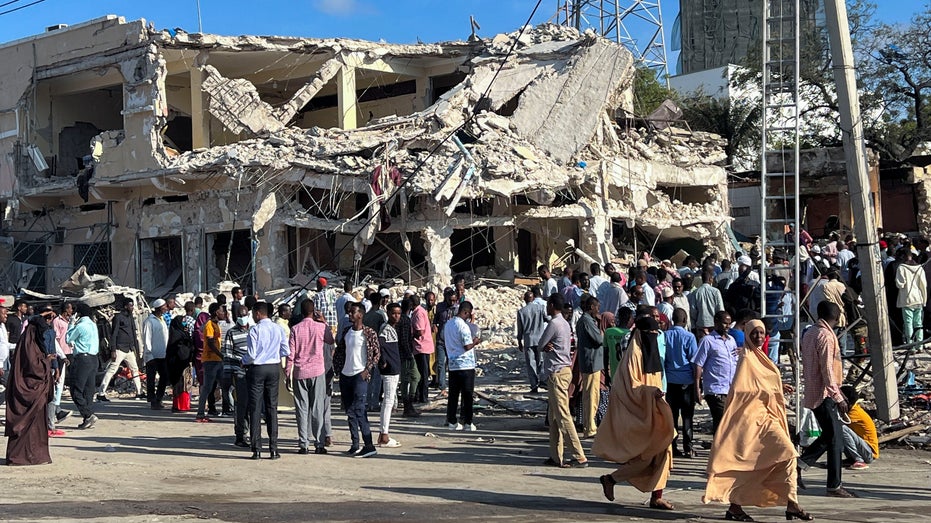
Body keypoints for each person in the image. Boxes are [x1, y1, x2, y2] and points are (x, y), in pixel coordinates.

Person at [703, 320, 813, 522]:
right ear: (747, 334)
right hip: (752, 420)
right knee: (773, 457)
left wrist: (779, 388)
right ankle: (736, 507)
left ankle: (792, 504)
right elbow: (741, 390)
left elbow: (765, 383)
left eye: (761, 333)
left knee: (784, 459)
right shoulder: (746, 358)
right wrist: (770, 390)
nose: (758, 337)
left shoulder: (760, 357)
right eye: (754, 333)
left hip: (767, 417)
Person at [594, 316, 675, 510]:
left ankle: (657, 496)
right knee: (646, 457)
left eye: (656, 335)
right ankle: (611, 479)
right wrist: (650, 393)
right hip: (638, 413)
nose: (652, 338)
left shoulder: (652, 353)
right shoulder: (634, 356)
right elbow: (631, 388)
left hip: (655, 411)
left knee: (664, 453)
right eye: (650, 335)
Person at [798, 301, 856, 498]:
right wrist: (838, 397)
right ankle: (834, 485)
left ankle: (800, 464)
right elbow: (827, 369)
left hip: (816, 390)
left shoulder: (811, 332)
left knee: (832, 436)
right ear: (837, 315)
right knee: (835, 438)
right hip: (824, 393)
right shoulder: (825, 336)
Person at [537, 293, 587, 468]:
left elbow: (541, 344)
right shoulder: (565, 323)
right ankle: (555, 455)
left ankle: (579, 455)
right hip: (564, 371)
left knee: (563, 415)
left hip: (556, 373)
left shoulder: (554, 323)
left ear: (551, 305)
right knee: (554, 418)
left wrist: (546, 345)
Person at [4, 311, 56, 465]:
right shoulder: (30, 342)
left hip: (36, 391)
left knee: (36, 425)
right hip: (29, 389)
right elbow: (34, 367)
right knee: (27, 425)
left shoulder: (30, 340)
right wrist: (47, 361)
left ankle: (35, 456)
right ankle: (21, 457)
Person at [286, 299, 334, 455]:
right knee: (317, 407)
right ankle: (319, 443)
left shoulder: (295, 329)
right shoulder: (320, 328)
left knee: (301, 408)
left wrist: (288, 373)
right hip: (317, 371)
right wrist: (324, 322)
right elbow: (331, 340)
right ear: (314, 311)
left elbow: (290, 354)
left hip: (300, 372)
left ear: (301, 311)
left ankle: (303, 443)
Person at [333, 302, 379, 458]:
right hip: (346, 375)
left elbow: (376, 354)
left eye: (353, 312)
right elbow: (340, 351)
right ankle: (354, 444)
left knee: (359, 410)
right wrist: (337, 370)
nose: (350, 315)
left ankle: (369, 444)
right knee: (350, 411)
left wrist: (367, 370)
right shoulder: (347, 331)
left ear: (360, 314)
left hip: (359, 375)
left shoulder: (369, 333)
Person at [244, 302, 289, 460]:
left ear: (257, 313)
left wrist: (244, 361)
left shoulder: (255, 330)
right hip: (273, 368)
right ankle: (274, 448)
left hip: (257, 368)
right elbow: (286, 350)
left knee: (255, 408)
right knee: (272, 408)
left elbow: (251, 354)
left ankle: (256, 449)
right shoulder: (278, 328)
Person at [692, 310, 738, 436]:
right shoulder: (707, 341)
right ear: (716, 322)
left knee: (729, 422)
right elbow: (698, 364)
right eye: (724, 323)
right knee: (721, 421)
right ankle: (719, 452)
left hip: (731, 388)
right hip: (716, 389)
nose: (727, 326)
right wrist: (697, 387)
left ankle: (723, 450)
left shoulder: (731, 341)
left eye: (729, 323)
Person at [664, 308, 698, 458]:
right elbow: (694, 361)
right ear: (685, 321)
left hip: (670, 381)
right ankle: (688, 447)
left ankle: (672, 447)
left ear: (672, 319)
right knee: (687, 416)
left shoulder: (665, 336)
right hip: (686, 381)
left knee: (672, 416)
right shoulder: (689, 337)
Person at [98, 298, 143, 401]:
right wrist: (113, 350)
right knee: (112, 370)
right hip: (119, 348)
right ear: (126, 306)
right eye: (130, 306)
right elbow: (113, 335)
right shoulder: (118, 317)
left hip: (130, 349)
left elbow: (133, 333)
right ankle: (101, 393)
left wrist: (136, 349)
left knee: (135, 370)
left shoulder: (131, 317)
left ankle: (139, 392)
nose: (132, 308)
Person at [444, 301, 480, 431]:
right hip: (466, 365)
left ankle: (452, 421)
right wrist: (475, 341)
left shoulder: (448, 324)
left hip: (453, 364)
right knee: (467, 395)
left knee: (453, 395)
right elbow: (467, 346)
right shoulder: (462, 326)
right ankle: (468, 422)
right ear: (466, 312)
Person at [66, 303, 99, 430]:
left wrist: (71, 324)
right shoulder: (93, 325)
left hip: (82, 359)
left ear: (78, 313)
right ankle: (87, 418)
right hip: (93, 358)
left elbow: (68, 339)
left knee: (76, 389)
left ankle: (88, 414)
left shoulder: (80, 326)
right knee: (89, 390)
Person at [223, 303, 252, 447]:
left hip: (253, 373)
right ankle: (240, 435)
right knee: (241, 405)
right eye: (240, 316)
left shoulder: (253, 331)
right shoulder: (231, 332)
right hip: (238, 372)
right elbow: (227, 353)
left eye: (244, 315)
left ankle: (254, 434)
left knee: (253, 406)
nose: (242, 318)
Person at [575, 296, 604, 439]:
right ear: (591, 307)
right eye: (597, 307)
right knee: (591, 396)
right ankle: (590, 427)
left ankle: (589, 425)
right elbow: (598, 340)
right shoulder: (587, 321)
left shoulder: (584, 320)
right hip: (592, 362)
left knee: (590, 395)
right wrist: (602, 334)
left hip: (589, 362)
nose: (598, 310)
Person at [376, 303, 403, 447]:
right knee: (388, 402)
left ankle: (383, 434)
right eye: (393, 313)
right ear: (388, 313)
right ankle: (384, 435)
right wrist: (383, 361)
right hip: (390, 371)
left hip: (393, 369)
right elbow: (379, 345)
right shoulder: (386, 329)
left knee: (388, 401)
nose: (396, 316)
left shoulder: (391, 329)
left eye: (398, 313)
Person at [196, 303, 225, 421]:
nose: (223, 313)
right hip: (210, 360)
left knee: (225, 386)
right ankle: (200, 412)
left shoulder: (216, 324)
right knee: (207, 388)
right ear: (216, 312)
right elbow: (210, 342)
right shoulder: (209, 325)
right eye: (221, 311)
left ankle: (230, 409)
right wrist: (220, 354)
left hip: (217, 360)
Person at [516, 288, 547, 394]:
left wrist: (519, 341)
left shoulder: (521, 312)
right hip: (540, 339)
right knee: (541, 361)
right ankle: (543, 379)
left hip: (529, 340)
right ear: (533, 298)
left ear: (525, 299)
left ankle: (534, 385)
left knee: (531, 363)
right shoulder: (540, 308)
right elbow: (547, 319)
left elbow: (520, 329)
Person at [840, 385, 878, 470]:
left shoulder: (854, 413)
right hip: (863, 449)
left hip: (869, 452)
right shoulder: (851, 410)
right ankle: (851, 459)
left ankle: (859, 460)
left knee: (842, 428)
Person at [143, 299, 170, 410]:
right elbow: (146, 339)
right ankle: (153, 400)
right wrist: (149, 355)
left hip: (163, 354)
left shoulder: (162, 319)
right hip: (153, 356)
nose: (166, 308)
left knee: (164, 377)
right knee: (151, 379)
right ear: (159, 308)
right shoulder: (149, 321)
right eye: (164, 307)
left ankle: (159, 398)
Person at [896, 251, 927, 344]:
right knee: (918, 323)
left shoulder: (901, 268)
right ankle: (919, 344)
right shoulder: (920, 268)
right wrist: (924, 300)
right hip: (919, 298)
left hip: (907, 299)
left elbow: (900, 284)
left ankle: (910, 345)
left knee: (908, 323)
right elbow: (924, 284)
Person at [166, 314, 194, 413]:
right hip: (178, 364)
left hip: (183, 364)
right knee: (180, 385)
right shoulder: (176, 335)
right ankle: (179, 406)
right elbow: (179, 349)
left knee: (184, 384)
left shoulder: (183, 333)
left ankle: (182, 405)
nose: (184, 323)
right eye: (182, 321)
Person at [433, 288, 458, 398]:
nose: (452, 303)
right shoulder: (440, 307)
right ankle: (442, 387)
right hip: (441, 340)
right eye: (450, 300)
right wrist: (434, 325)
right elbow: (436, 320)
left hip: (453, 341)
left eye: (454, 300)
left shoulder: (457, 308)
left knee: (452, 364)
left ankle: (453, 386)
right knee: (441, 364)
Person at [397, 298, 420, 418]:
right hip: (406, 354)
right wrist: (409, 354)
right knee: (413, 377)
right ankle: (408, 404)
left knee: (407, 379)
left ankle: (408, 404)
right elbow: (405, 339)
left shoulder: (401, 319)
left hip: (401, 353)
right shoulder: (405, 320)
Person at [411, 293, 434, 403]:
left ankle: (423, 397)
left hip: (421, 346)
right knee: (421, 373)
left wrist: (410, 333)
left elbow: (420, 331)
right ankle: (420, 395)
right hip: (421, 346)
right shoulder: (420, 311)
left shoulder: (418, 313)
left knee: (422, 373)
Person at [690, 269, 726, 337]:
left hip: (701, 325)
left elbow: (693, 311)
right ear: (710, 279)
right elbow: (720, 309)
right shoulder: (716, 291)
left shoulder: (696, 292)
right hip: (714, 325)